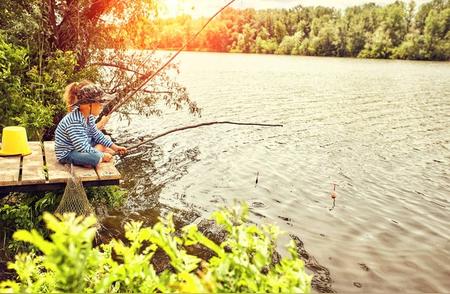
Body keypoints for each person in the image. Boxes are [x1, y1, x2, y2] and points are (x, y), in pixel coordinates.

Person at [55, 81, 127, 167]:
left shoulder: (89, 117)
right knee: (94, 158)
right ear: (88, 105)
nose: (101, 106)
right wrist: (102, 156)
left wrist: (115, 147)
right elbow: (82, 147)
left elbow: (96, 134)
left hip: (81, 146)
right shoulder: (74, 121)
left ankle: (91, 157)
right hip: (68, 153)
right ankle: (92, 158)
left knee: (106, 138)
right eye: (99, 103)